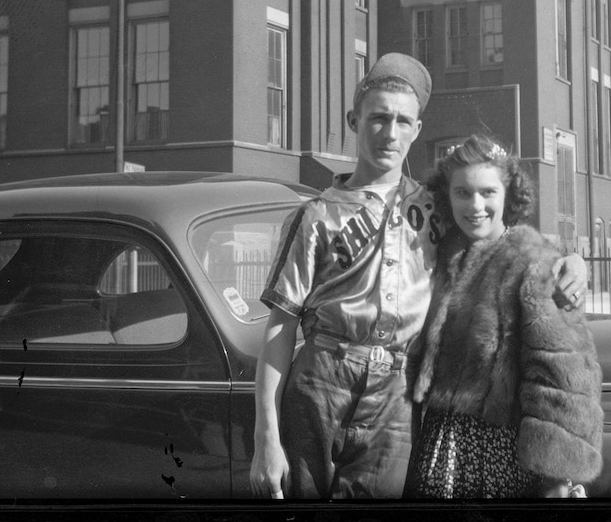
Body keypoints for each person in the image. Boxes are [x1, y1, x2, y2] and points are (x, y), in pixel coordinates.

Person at [250, 53, 587, 499]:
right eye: (378, 118)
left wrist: (572, 259)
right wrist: (265, 439)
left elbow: (497, 235)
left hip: (396, 392)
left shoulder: (437, 208)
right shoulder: (315, 215)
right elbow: (281, 325)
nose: (390, 133)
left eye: (402, 121)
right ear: (354, 120)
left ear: (417, 130)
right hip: (321, 380)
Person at [405, 134, 603, 499]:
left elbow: (561, 378)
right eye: (462, 192)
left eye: (487, 192)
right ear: (446, 196)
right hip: (436, 445)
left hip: (500, 456)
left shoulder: (535, 263)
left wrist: (557, 476)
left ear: (508, 193)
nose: (475, 205)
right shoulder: (442, 254)